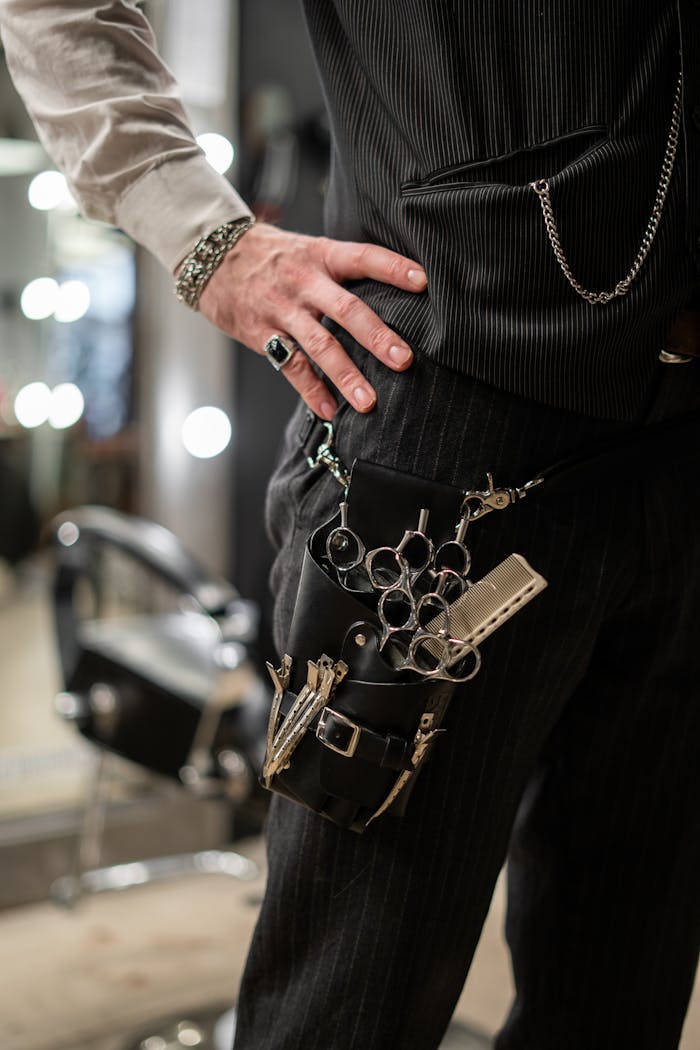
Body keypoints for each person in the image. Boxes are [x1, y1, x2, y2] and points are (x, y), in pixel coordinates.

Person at [2, 3, 699, 1048]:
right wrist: (211, 245)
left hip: (684, 451)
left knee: (621, 1002)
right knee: (350, 1012)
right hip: (441, 436)